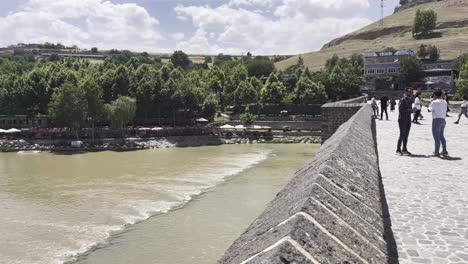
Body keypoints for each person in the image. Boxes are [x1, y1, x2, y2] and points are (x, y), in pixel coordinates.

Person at [430, 89, 448, 156]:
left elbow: (429, 109)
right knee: (441, 136)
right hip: (443, 119)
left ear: (434, 95)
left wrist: (431, 101)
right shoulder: (445, 101)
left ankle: (436, 152)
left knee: (436, 137)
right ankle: (444, 150)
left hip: (436, 120)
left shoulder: (434, 102)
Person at [397, 89, 414, 155]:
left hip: (408, 119)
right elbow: (400, 110)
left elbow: (409, 110)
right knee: (402, 134)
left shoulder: (410, 100)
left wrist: (413, 110)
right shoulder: (403, 100)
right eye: (410, 92)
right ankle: (398, 149)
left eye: (411, 92)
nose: (411, 93)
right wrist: (410, 110)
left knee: (406, 135)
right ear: (406, 92)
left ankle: (404, 149)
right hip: (402, 119)